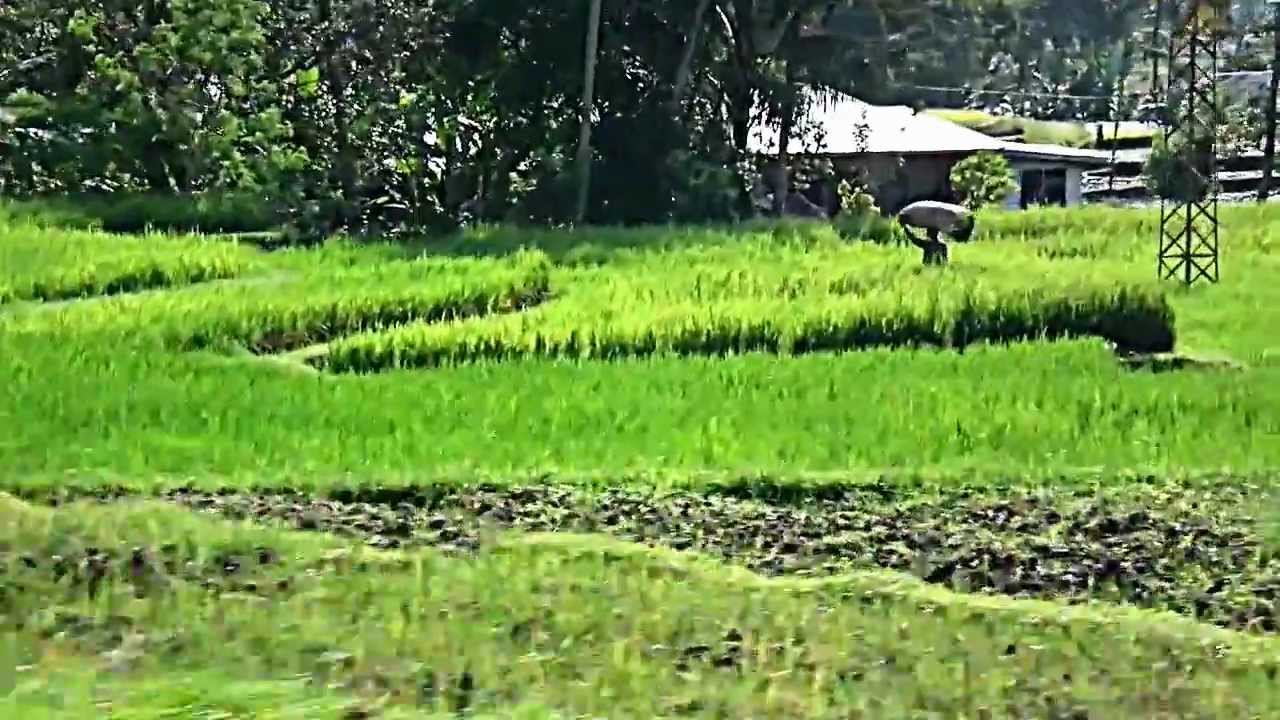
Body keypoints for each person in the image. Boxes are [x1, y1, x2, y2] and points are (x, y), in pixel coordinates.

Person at [895, 200, 976, 266]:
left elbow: (915, 239)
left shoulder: (927, 244)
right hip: (913, 214)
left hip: (915, 214)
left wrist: (906, 230)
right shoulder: (939, 245)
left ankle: (933, 264)